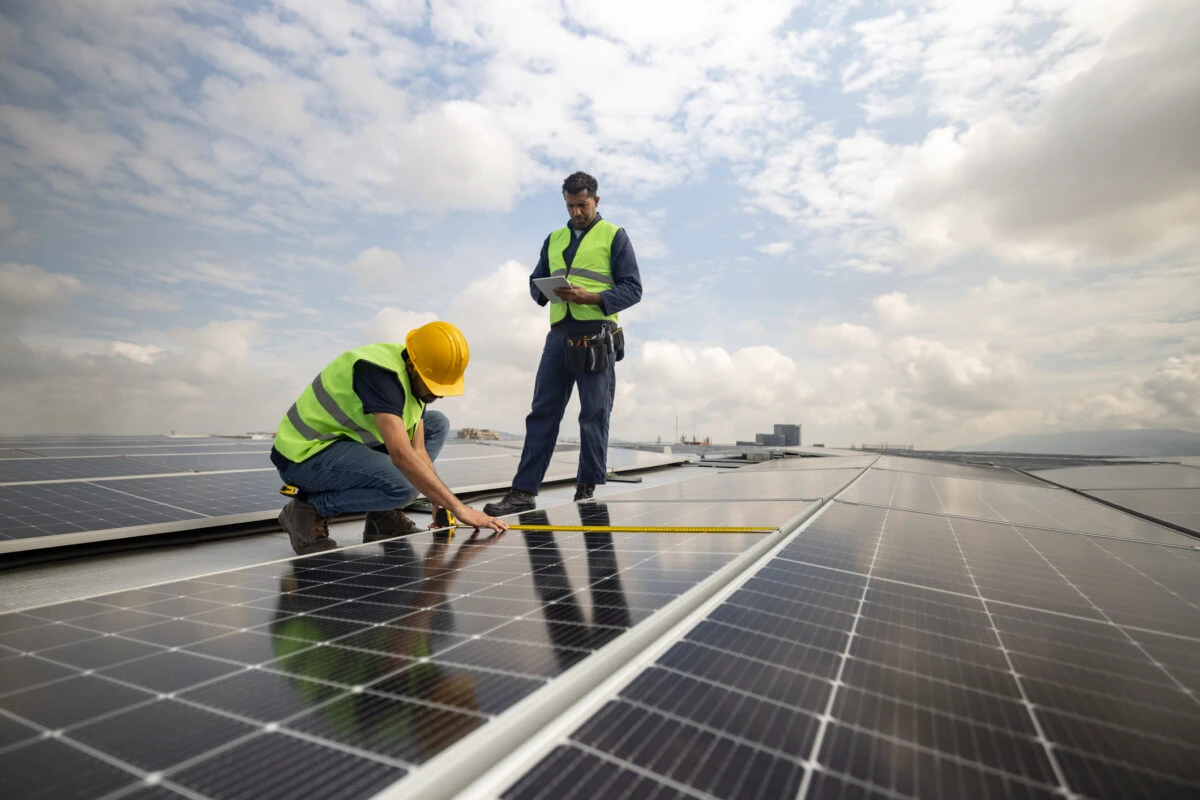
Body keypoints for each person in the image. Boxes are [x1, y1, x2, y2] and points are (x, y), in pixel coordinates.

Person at [271, 321, 508, 555]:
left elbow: (418, 450)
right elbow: (402, 456)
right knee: (405, 486)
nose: (439, 395)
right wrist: (459, 508)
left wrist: (440, 502)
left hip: (342, 445)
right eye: (434, 387)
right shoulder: (379, 373)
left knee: (438, 423)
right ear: (414, 367)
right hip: (304, 456)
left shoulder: (415, 379)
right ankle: (309, 510)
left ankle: (382, 517)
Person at [483, 171, 642, 515]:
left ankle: (586, 490)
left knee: (593, 414)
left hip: (596, 334)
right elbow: (534, 280)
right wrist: (543, 291)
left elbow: (633, 289)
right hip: (558, 337)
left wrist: (593, 298)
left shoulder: (615, 236)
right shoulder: (553, 238)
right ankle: (523, 492)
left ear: (595, 201)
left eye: (582, 205)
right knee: (543, 412)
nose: (576, 213)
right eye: (570, 206)